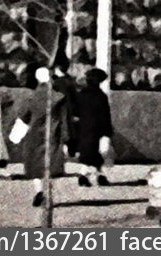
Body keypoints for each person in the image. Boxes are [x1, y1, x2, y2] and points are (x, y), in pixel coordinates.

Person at [15, 66, 70, 209]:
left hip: (34, 135)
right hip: (53, 135)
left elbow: (23, 117)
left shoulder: (31, 97)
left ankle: (39, 191)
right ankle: (49, 195)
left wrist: (15, 136)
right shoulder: (59, 98)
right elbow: (64, 121)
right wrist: (67, 140)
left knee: (35, 165)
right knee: (51, 165)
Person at [69, 68, 114, 187]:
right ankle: (85, 176)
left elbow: (75, 112)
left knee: (91, 153)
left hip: (84, 128)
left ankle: (99, 176)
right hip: (97, 129)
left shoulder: (81, 95)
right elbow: (105, 115)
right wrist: (107, 132)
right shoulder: (101, 96)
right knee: (94, 154)